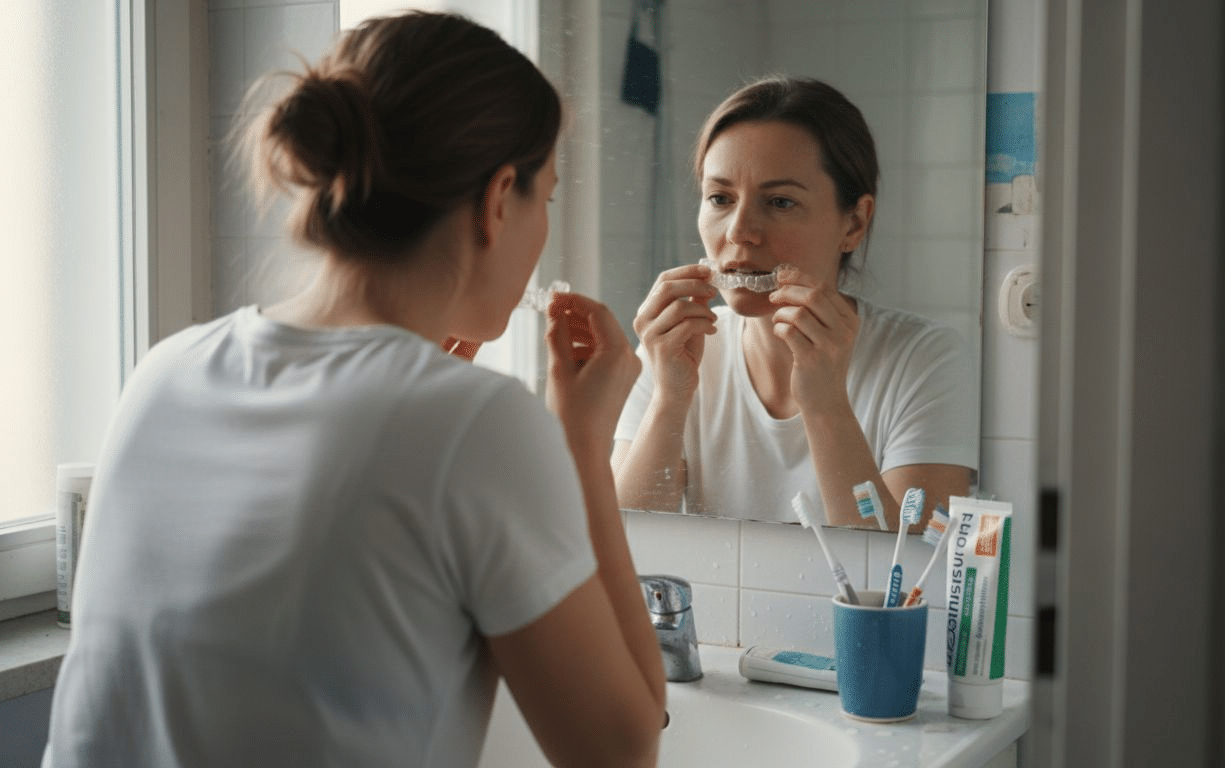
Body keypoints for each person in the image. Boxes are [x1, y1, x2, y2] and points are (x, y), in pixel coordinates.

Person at [42, 12, 664, 768]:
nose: (544, 230)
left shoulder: (165, 370)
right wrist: (582, 450)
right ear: (501, 198)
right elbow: (621, 751)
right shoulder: (476, 425)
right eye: (548, 199)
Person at [612, 76, 977, 530]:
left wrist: (825, 403)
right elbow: (629, 549)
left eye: (780, 202)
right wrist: (670, 399)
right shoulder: (675, 351)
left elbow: (906, 580)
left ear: (854, 223)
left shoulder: (926, 360)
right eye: (720, 198)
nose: (740, 230)